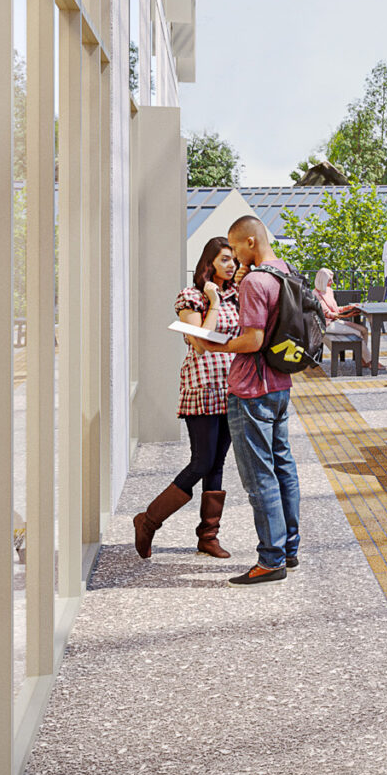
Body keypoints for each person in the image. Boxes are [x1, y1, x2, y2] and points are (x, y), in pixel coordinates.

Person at [133, 236, 239, 560]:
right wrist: (214, 301)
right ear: (209, 264)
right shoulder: (191, 297)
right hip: (203, 387)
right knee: (201, 461)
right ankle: (149, 520)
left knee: (217, 464)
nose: (231, 264)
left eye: (233, 259)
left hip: (231, 387)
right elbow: (200, 342)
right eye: (224, 259)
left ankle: (208, 536)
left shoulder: (236, 297)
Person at [208, 216, 299, 585]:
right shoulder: (286, 273)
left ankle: (271, 559)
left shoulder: (256, 282)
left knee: (259, 476)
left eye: (235, 248)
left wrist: (216, 343)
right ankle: (289, 548)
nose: (233, 256)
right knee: (283, 468)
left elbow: (253, 340)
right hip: (280, 386)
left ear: (249, 242)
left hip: (251, 391)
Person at [312, 267, 370, 372]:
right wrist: (346, 315)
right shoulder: (315, 294)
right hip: (327, 325)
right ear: (323, 280)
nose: (332, 282)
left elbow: (336, 309)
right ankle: (370, 361)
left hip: (335, 321)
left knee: (364, 330)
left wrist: (350, 307)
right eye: (330, 280)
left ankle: (362, 359)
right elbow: (327, 314)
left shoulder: (329, 291)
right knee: (357, 333)